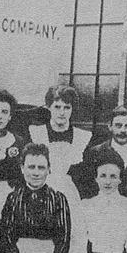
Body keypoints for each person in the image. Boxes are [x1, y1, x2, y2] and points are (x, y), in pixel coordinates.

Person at [28, 85, 91, 218]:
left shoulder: (83, 137)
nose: (62, 112)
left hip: (72, 199)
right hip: (39, 195)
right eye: (57, 107)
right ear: (48, 107)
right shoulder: (35, 133)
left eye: (67, 107)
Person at [80, 105, 127, 211]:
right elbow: (88, 188)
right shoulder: (94, 153)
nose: (123, 130)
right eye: (118, 125)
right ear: (110, 126)